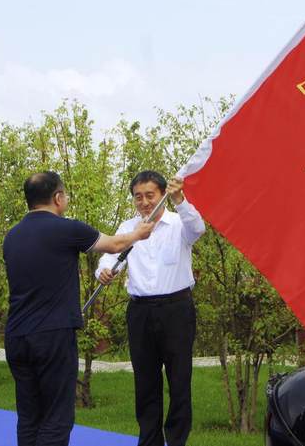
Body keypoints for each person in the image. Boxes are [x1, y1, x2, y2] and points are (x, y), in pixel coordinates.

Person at [2, 170, 155, 446]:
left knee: (28, 416)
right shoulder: (67, 228)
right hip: (52, 336)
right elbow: (114, 244)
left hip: (16, 335)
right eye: (65, 195)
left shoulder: (11, 236)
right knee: (56, 417)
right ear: (58, 197)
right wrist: (140, 233)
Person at [96, 171, 205, 446]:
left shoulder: (180, 222)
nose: (144, 202)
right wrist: (104, 271)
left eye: (150, 195)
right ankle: (149, 440)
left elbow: (198, 229)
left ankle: (177, 440)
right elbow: (109, 255)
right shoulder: (128, 227)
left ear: (162, 195)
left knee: (179, 381)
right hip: (140, 312)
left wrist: (180, 198)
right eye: (138, 196)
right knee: (145, 383)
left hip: (176, 311)